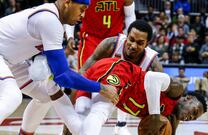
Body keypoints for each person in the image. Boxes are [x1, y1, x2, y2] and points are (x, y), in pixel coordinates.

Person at [20, 20, 163, 135]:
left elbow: (163, 96)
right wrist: (68, 121)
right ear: (127, 35)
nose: (133, 45)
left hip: (123, 95)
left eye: (139, 43)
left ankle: (121, 124)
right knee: (82, 112)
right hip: (98, 85)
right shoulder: (111, 44)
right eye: (131, 39)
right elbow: (83, 73)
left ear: (147, 44)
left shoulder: (152, 63)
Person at [0, 0, 119, 135]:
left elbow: (56, 69)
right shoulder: (50, 20)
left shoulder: (53, 20)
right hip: (4, 56)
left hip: (10, 60)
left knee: (45, 96)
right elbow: (63, 76)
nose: (83, 15)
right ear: (67, 3)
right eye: (82, 9)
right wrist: (101, 88)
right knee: (12, 95)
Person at [79, 57, 207, 135]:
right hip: (124, 74)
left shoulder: (170, 119)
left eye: (193, 118)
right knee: (99, 111)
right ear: (188, 98)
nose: (190, 117)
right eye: (194, 111)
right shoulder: (176, 89)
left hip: (120, 93)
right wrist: (155, 116)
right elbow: (153, 79)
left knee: (80, 114)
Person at [65, 1, 136, 134]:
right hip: (91, 39)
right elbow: (71, 11)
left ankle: (121, 125)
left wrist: (129, 38)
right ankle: (73, 123)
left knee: (121, 81)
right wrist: (69, 36)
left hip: (116, 40)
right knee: (82, 81)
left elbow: (130, 15)